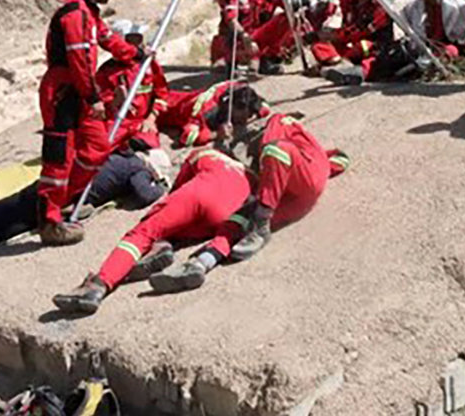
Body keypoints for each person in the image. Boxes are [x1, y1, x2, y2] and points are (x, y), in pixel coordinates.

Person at [148, 88, 350, 288]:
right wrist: (223, 142)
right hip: (290, 197)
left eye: (233, 113)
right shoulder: (253, 134)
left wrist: (225, 143)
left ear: (248, 113)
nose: (228, 119)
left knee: (273, 152)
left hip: (294, 179)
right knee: (237, 220)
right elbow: (335, 159)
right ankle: (199, 264)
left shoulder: (275, 123)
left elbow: (265, 163)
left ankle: (261, 223)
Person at [0, 149, 170, 284]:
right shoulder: (137, 168)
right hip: (56, 192)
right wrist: (161, 186)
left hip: (58, 193)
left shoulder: (119, 157)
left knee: (0, 229)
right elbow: (145, 194)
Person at [52, 144, 253, 314]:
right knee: (187, 230)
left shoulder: (206, 153)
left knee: (142, 233)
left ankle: (99, 284)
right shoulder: (253, 179)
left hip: (197, 193)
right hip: (221, 217)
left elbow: (180, 185)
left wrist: (162, 209)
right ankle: (169, 247)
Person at [37, 0, 145, 245]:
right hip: (63, 91)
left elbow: (110, 41)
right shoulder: (74, 14)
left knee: (97, 148)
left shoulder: (90, 14)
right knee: (59, 158)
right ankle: (49, 220)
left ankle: (64, 200)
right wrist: (93, 97)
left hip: (79, 89)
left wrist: (136, 54)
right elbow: (79, 61)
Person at [95, 20, 169, 151]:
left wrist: (151, 119)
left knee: (147, 141)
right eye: (131, 39)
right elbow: (100, 108)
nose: (137, 44)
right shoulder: (105, 72)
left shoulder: (148, 65)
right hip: (117, 123)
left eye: (138, 38)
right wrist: (116, 101)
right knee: (103, 144)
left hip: (142, 122)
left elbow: (162, 94)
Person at [308, 0, 394, 81]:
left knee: (365, 48)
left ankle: (353, 71)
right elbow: (347, 27)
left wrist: (334, 35)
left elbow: (360, 31)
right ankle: (336, 63)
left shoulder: (379, 8)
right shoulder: (353, 5)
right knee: (319, 45)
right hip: (352, 44)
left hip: (374, 47)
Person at [158, 78, 271, 148]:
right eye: (242, 116)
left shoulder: (241, 91)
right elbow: (188, 137)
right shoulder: (205, 110)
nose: (245, 119)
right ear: (230, 106)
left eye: (249, 115)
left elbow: (265, 108)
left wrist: (250, 118)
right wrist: (216, 134)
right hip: (165, 109)